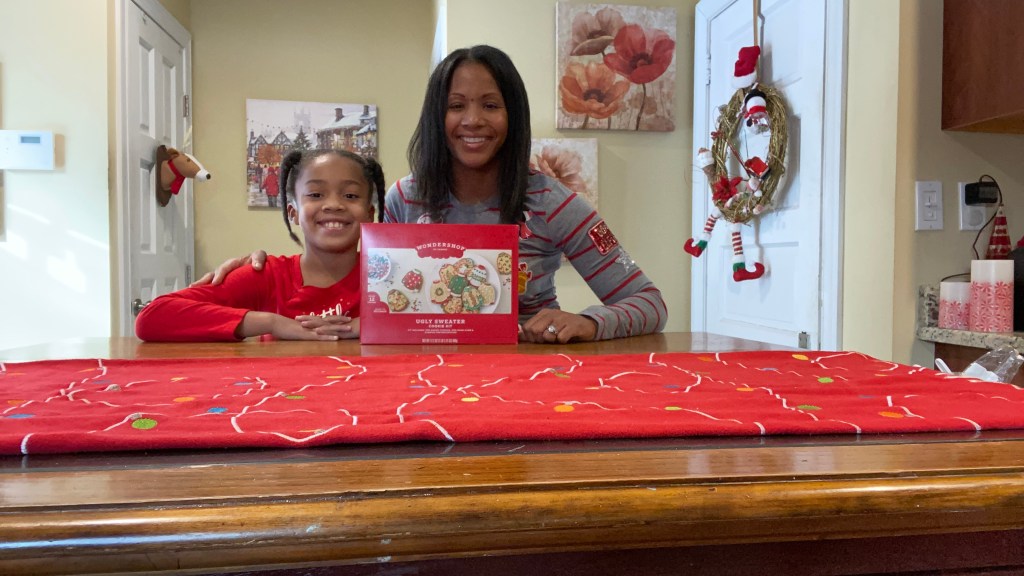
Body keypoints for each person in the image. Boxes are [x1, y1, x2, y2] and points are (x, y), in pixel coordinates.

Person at [199, 45, 666, 344]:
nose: (473, 120)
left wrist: (590, 322)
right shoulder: (405, 198)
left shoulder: (556, 204)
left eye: (491, 105)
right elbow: (369, 288)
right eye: (456, 106)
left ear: (513, 116)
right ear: (435, 117)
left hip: (528, 374)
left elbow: (649, 303)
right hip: (422, 379)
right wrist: (262, 266)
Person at [135, 149, 385, 342]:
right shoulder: (266, 275)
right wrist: (273, 323)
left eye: (350, 195)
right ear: (293, 213)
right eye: (316, 194)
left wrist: (371, 324)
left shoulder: (389, 276)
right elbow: (152, 317)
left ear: (369, 213)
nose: (333, 205)